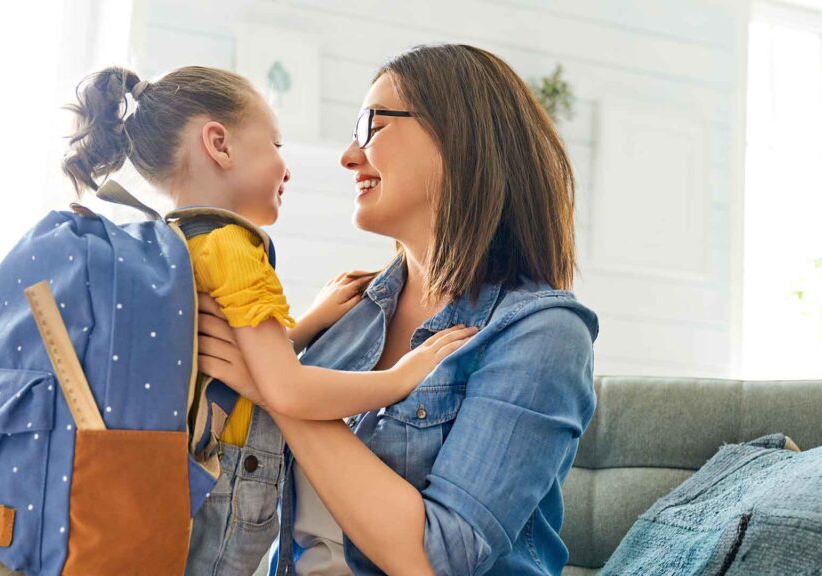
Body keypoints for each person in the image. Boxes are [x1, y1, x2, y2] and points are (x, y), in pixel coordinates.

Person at [196, 44, 600, 575]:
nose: (348, 155)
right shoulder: (348, 314)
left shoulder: (542, 335)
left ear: (460, 137)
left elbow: (436, 558)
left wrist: (280, 389)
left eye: (370, 125)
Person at [61, 63, 475, 574]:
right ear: (220, 144)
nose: (287, 167)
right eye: (276, 145)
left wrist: (305, 325)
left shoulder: (173, 242)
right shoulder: (234, 247)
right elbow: (287, 390)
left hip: (170, 478)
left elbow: (224, 358)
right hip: (226, 483)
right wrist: (400, 378)